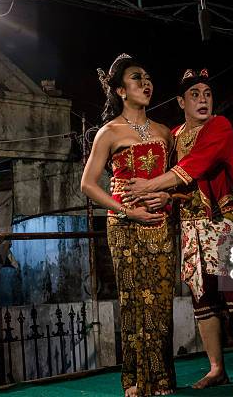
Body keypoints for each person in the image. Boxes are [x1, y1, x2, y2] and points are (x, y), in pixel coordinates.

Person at [123, 69, 233, 395]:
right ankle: (217, 369)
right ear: (181, 101)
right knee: (202, 298)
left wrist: (152, 184)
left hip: (224, 221)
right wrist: (164, 194)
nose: (203, 100)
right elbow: (180, 185)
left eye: (207, 94)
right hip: (190, 224)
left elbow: (196, 166)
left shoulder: (219, 126)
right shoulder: (174, 134)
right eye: (195, 94)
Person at [80, 53, 176, 397]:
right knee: (133, 298)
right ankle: (135, 380)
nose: (146, 83)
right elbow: (88, 185)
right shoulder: (109, 132)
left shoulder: (166, 132)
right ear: (121, 90)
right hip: (125, 225)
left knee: (162, 300)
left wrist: (167, 198)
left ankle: (162, 379)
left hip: (161, 222)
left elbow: (179, 182)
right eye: (137, 78)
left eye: (148, 77)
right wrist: (126, 211)